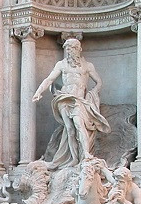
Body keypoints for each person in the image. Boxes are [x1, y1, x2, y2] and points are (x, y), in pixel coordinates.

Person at [33, 38, 111, 169]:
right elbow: (49, 79)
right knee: (69, 129)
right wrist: (39, 92)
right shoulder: (61, 64)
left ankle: (86, 155)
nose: (69, 51)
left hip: (78, 100)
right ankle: (74, 158)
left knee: (79, 125)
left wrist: (93, 93)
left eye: (71, 48)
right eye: (67, 49)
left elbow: (99, 82)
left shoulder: (87, 66)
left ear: (78, 49)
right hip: (64, 98)